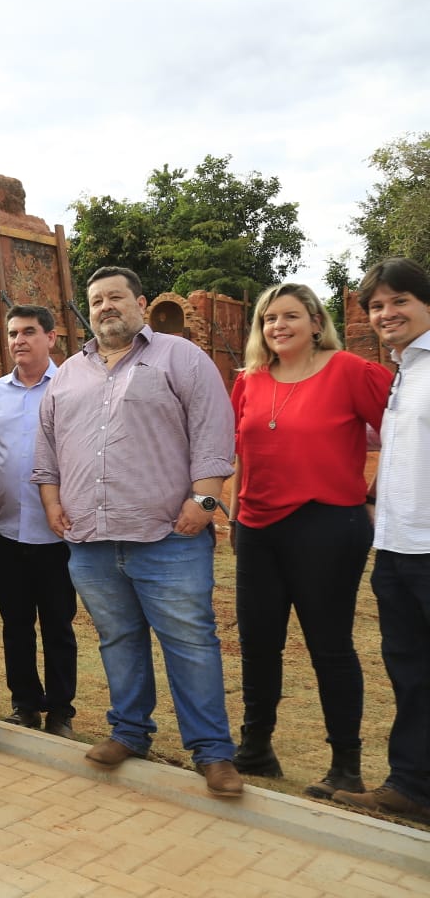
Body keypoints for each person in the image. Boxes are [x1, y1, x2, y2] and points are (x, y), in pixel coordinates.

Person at [34, 266, 242, 798]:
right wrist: (53, 503)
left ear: (141, 303)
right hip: (91, 539)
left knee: (191, 642)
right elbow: (48, 450)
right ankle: (129, 732)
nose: (106, 306)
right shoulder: (68, 375)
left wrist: (204, 499)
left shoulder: (180, 358)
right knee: (118, 638)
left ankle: (213, 753)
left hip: (168, 534)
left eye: (116, 297)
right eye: (96, 299)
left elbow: (214, 433)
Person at [228, 283, 391, 798]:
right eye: (269, 318)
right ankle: (256, 750)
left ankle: (346, 765)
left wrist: (372, 496)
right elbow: (240, 452)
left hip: (326, 526)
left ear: (316, 322)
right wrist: (233, 515)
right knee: (257, 644)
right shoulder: (250, 381)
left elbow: (408, 430)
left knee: (329, 647)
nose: (278, 326)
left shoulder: (350, 371)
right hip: (256, 527)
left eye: (291, 316)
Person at [334, 259, 430, 822]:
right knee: (411, 673)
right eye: (376, 305)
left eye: (400, 301)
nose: (386, 313)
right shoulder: (404, 372)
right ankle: (411, 788)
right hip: (397, 549)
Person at [0, 305, 78, 739]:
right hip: (6, 529)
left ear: (51, 338)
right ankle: (25, 704)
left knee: (58, 625)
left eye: (28, 332)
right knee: (15, 624)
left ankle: (61, 710)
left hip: (58, 532)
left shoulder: (72, 387)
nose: (18, 340)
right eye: (13, 333)